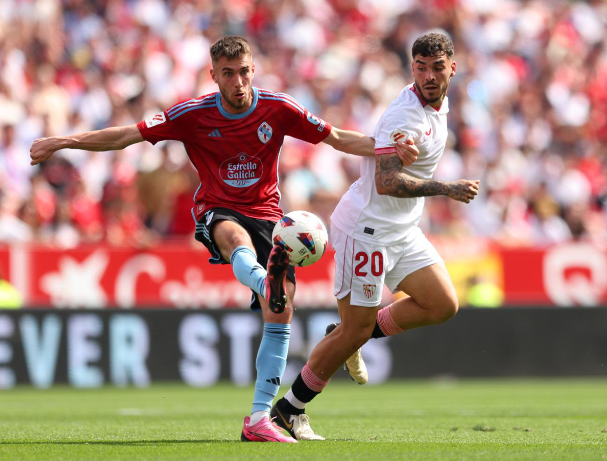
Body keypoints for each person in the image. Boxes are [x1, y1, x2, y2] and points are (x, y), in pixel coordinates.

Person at [29, 36, 417, 443]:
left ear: (253, 69)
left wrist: (389, 150)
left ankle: (258, 420)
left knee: (279, 313)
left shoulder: (278, 108)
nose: (238, 81)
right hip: (218, 209)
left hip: (268, 215)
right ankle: (265, 283)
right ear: (213, 75)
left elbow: (337, 137)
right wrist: (64, 141)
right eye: (228, 73)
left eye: (244, 71)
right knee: (234, 239)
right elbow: (127, 135)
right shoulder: (192, 114)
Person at [271, 32, 480, 440]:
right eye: (421, 68)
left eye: (437, 67)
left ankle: (347, 337)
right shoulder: (405, 116)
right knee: (356, 330)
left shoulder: (438, 104)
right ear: (411, 68)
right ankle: (287, 410)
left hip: (400, 228)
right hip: (366, 229)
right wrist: (445, 188)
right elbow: (386, 183)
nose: (429, 76)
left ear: (452, 67)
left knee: (440, 303)